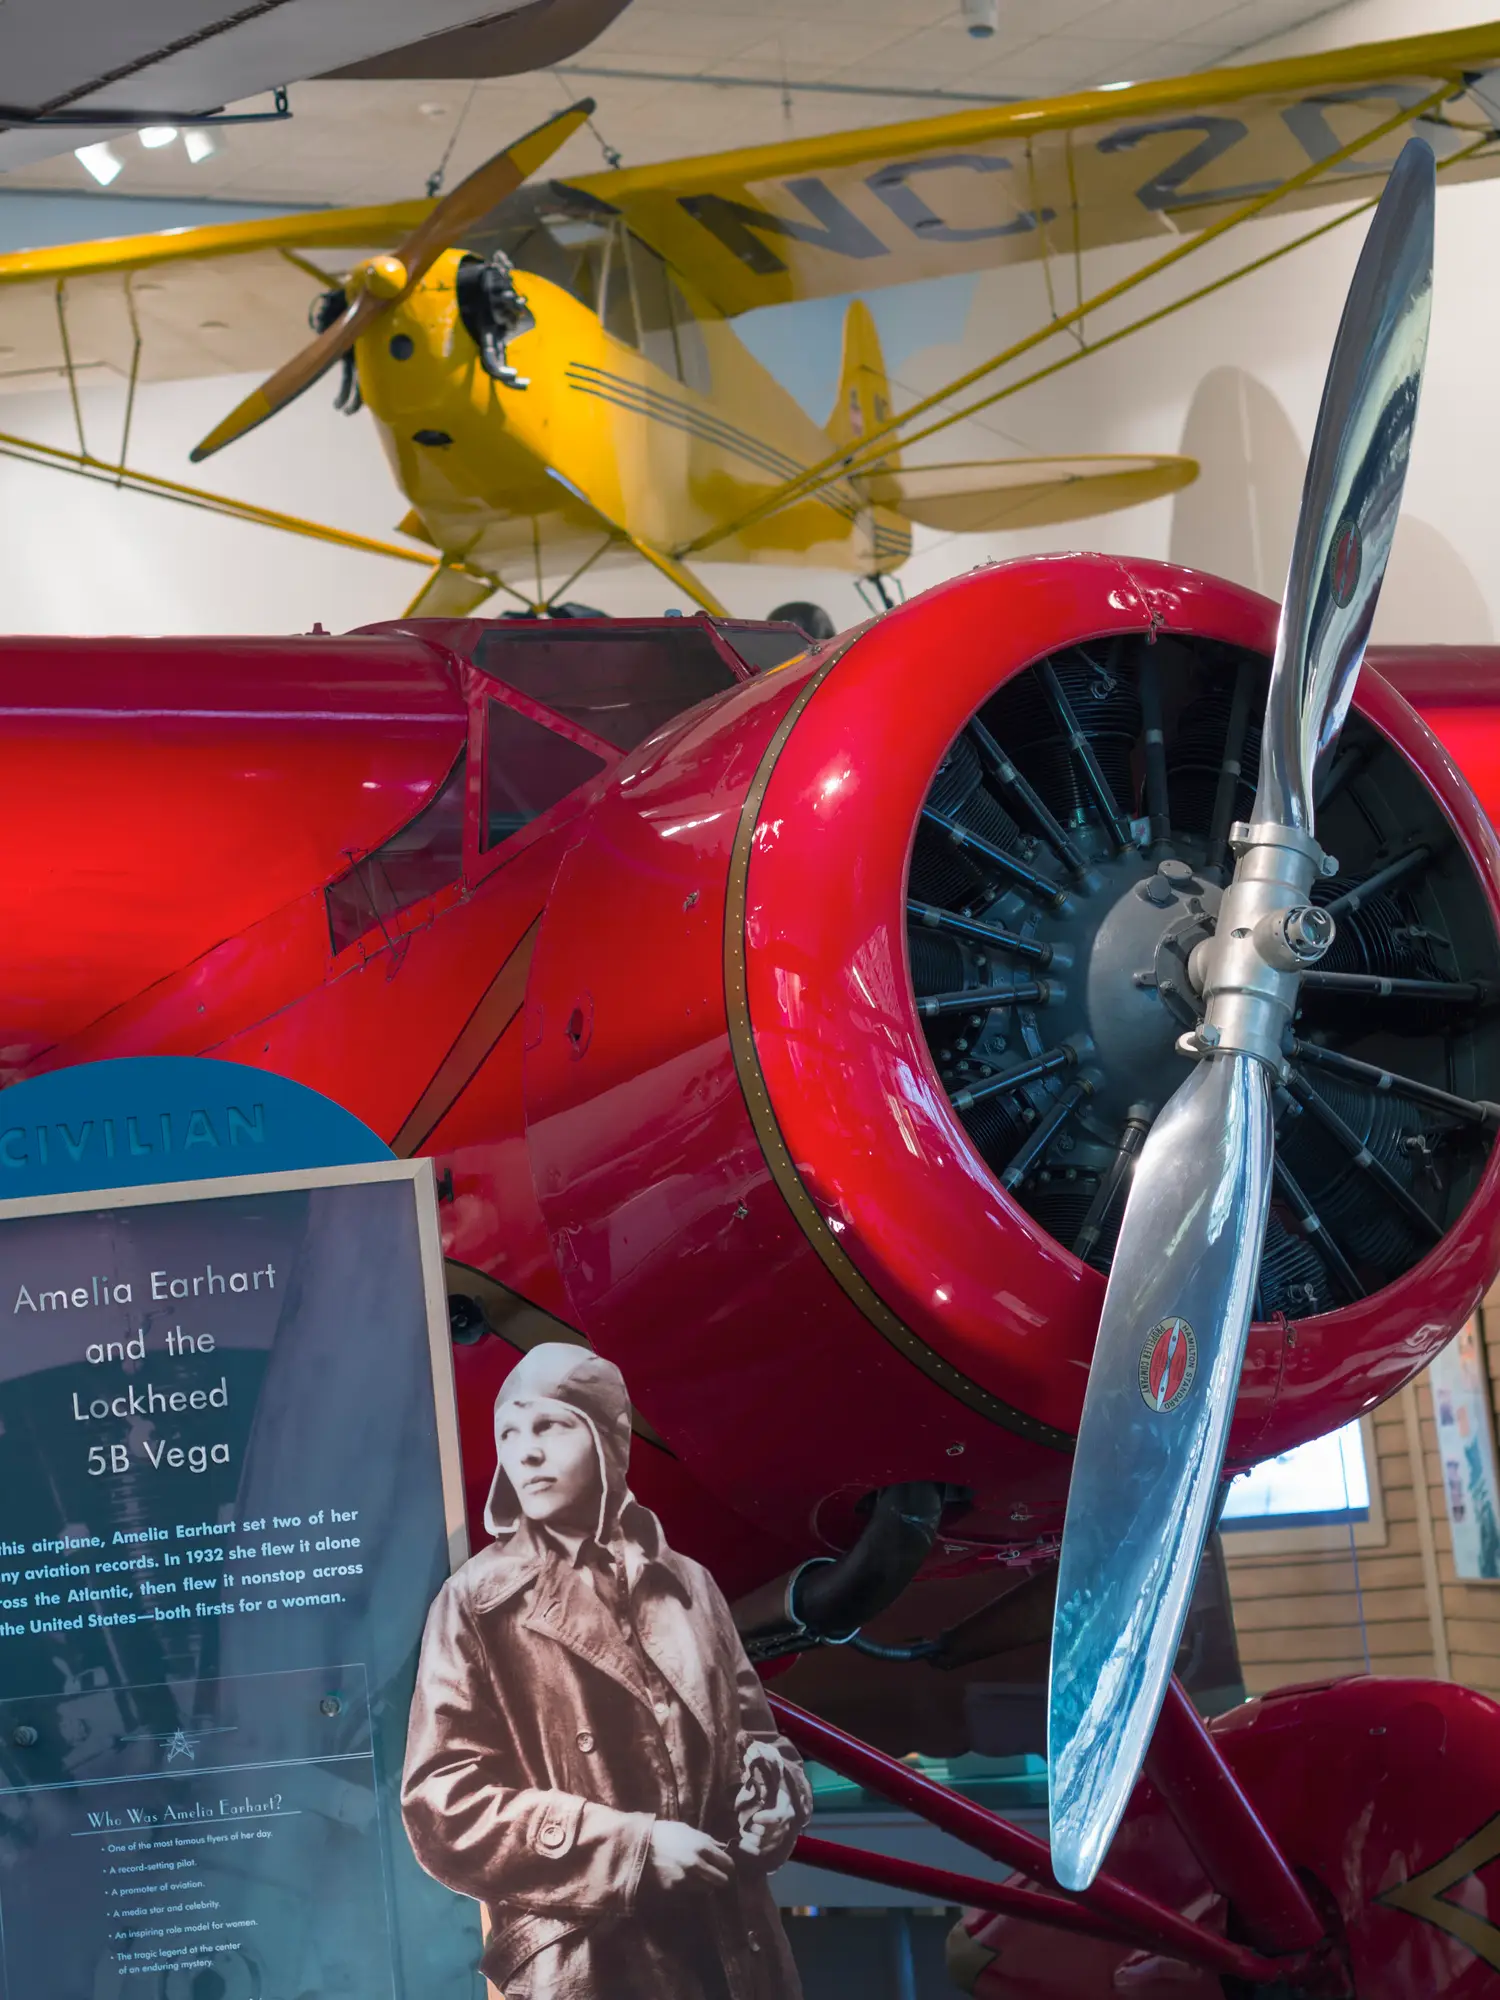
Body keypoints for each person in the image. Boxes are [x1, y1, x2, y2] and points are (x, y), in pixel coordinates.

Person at [401, 1342, 811, 1999]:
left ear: (607, 1440)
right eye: (509, 1431)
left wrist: (777, 1791)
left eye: (550, 1426)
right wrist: (630, 1848)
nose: (525, 1451)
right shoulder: (476, 1601)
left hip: (737, 1953)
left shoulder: (690, 1584)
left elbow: (755, 1739)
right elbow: (442, 1808)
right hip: (587, 1964)